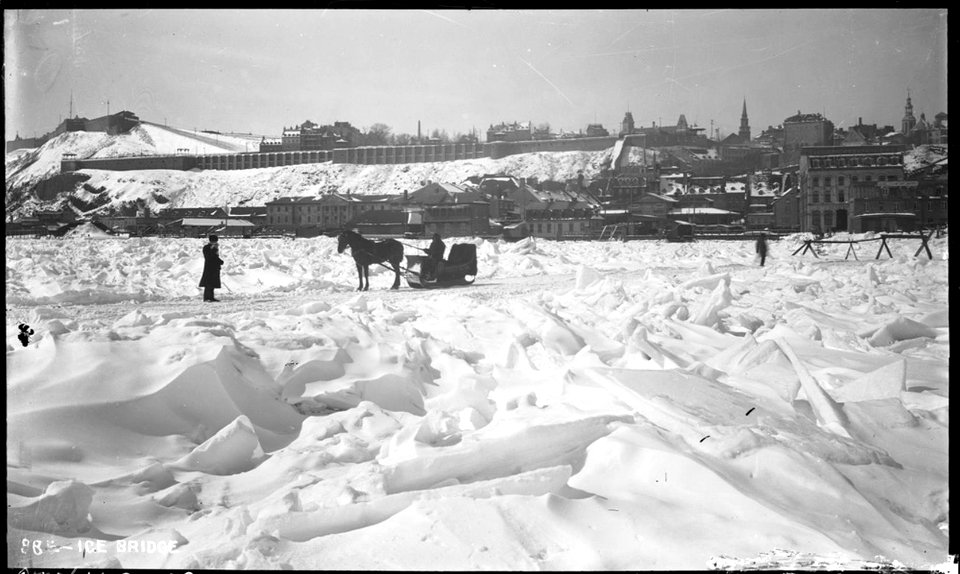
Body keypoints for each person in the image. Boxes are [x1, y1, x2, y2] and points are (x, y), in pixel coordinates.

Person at [199, 234, 223, 302]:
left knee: (212, 283)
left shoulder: (214, 248)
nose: (215, 243)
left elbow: (215, 257)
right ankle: (206, 297)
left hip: (214, 268)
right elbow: (210, 257)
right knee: (208, 283)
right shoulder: (207, 247)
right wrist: (219, 261)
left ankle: (211, 297)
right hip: (209, 268)